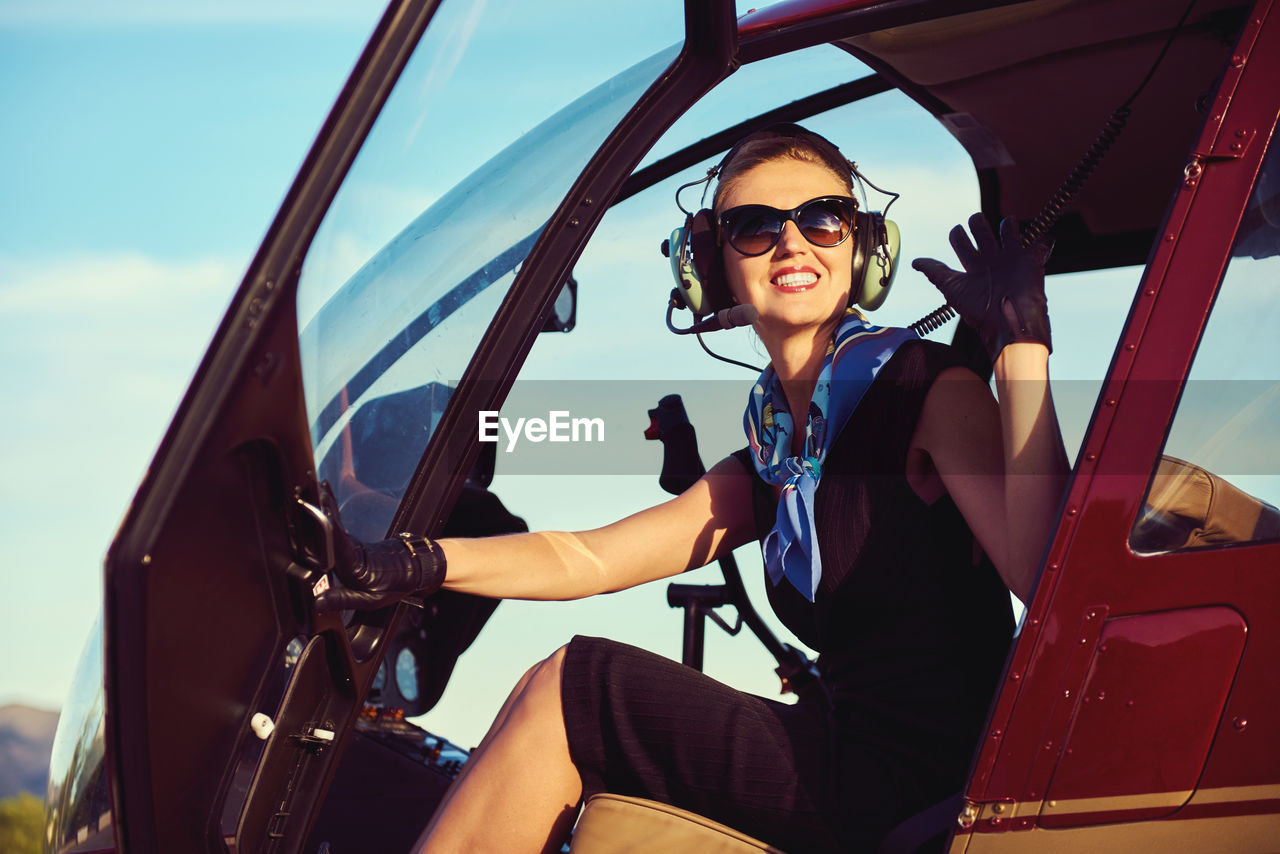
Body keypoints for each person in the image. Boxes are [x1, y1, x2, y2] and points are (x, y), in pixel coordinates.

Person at [323, 125, 1069, 853]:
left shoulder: (928, 389)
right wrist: (404, 563)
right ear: (712, 268)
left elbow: (1046, 575)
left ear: (865, 248)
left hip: (920, 784)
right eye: (754, 227)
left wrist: (1022, 348)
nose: (793, 243)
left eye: (823, 219)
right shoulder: (781, 450)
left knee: (568, 688)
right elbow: (590, 558)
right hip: (845, 761)